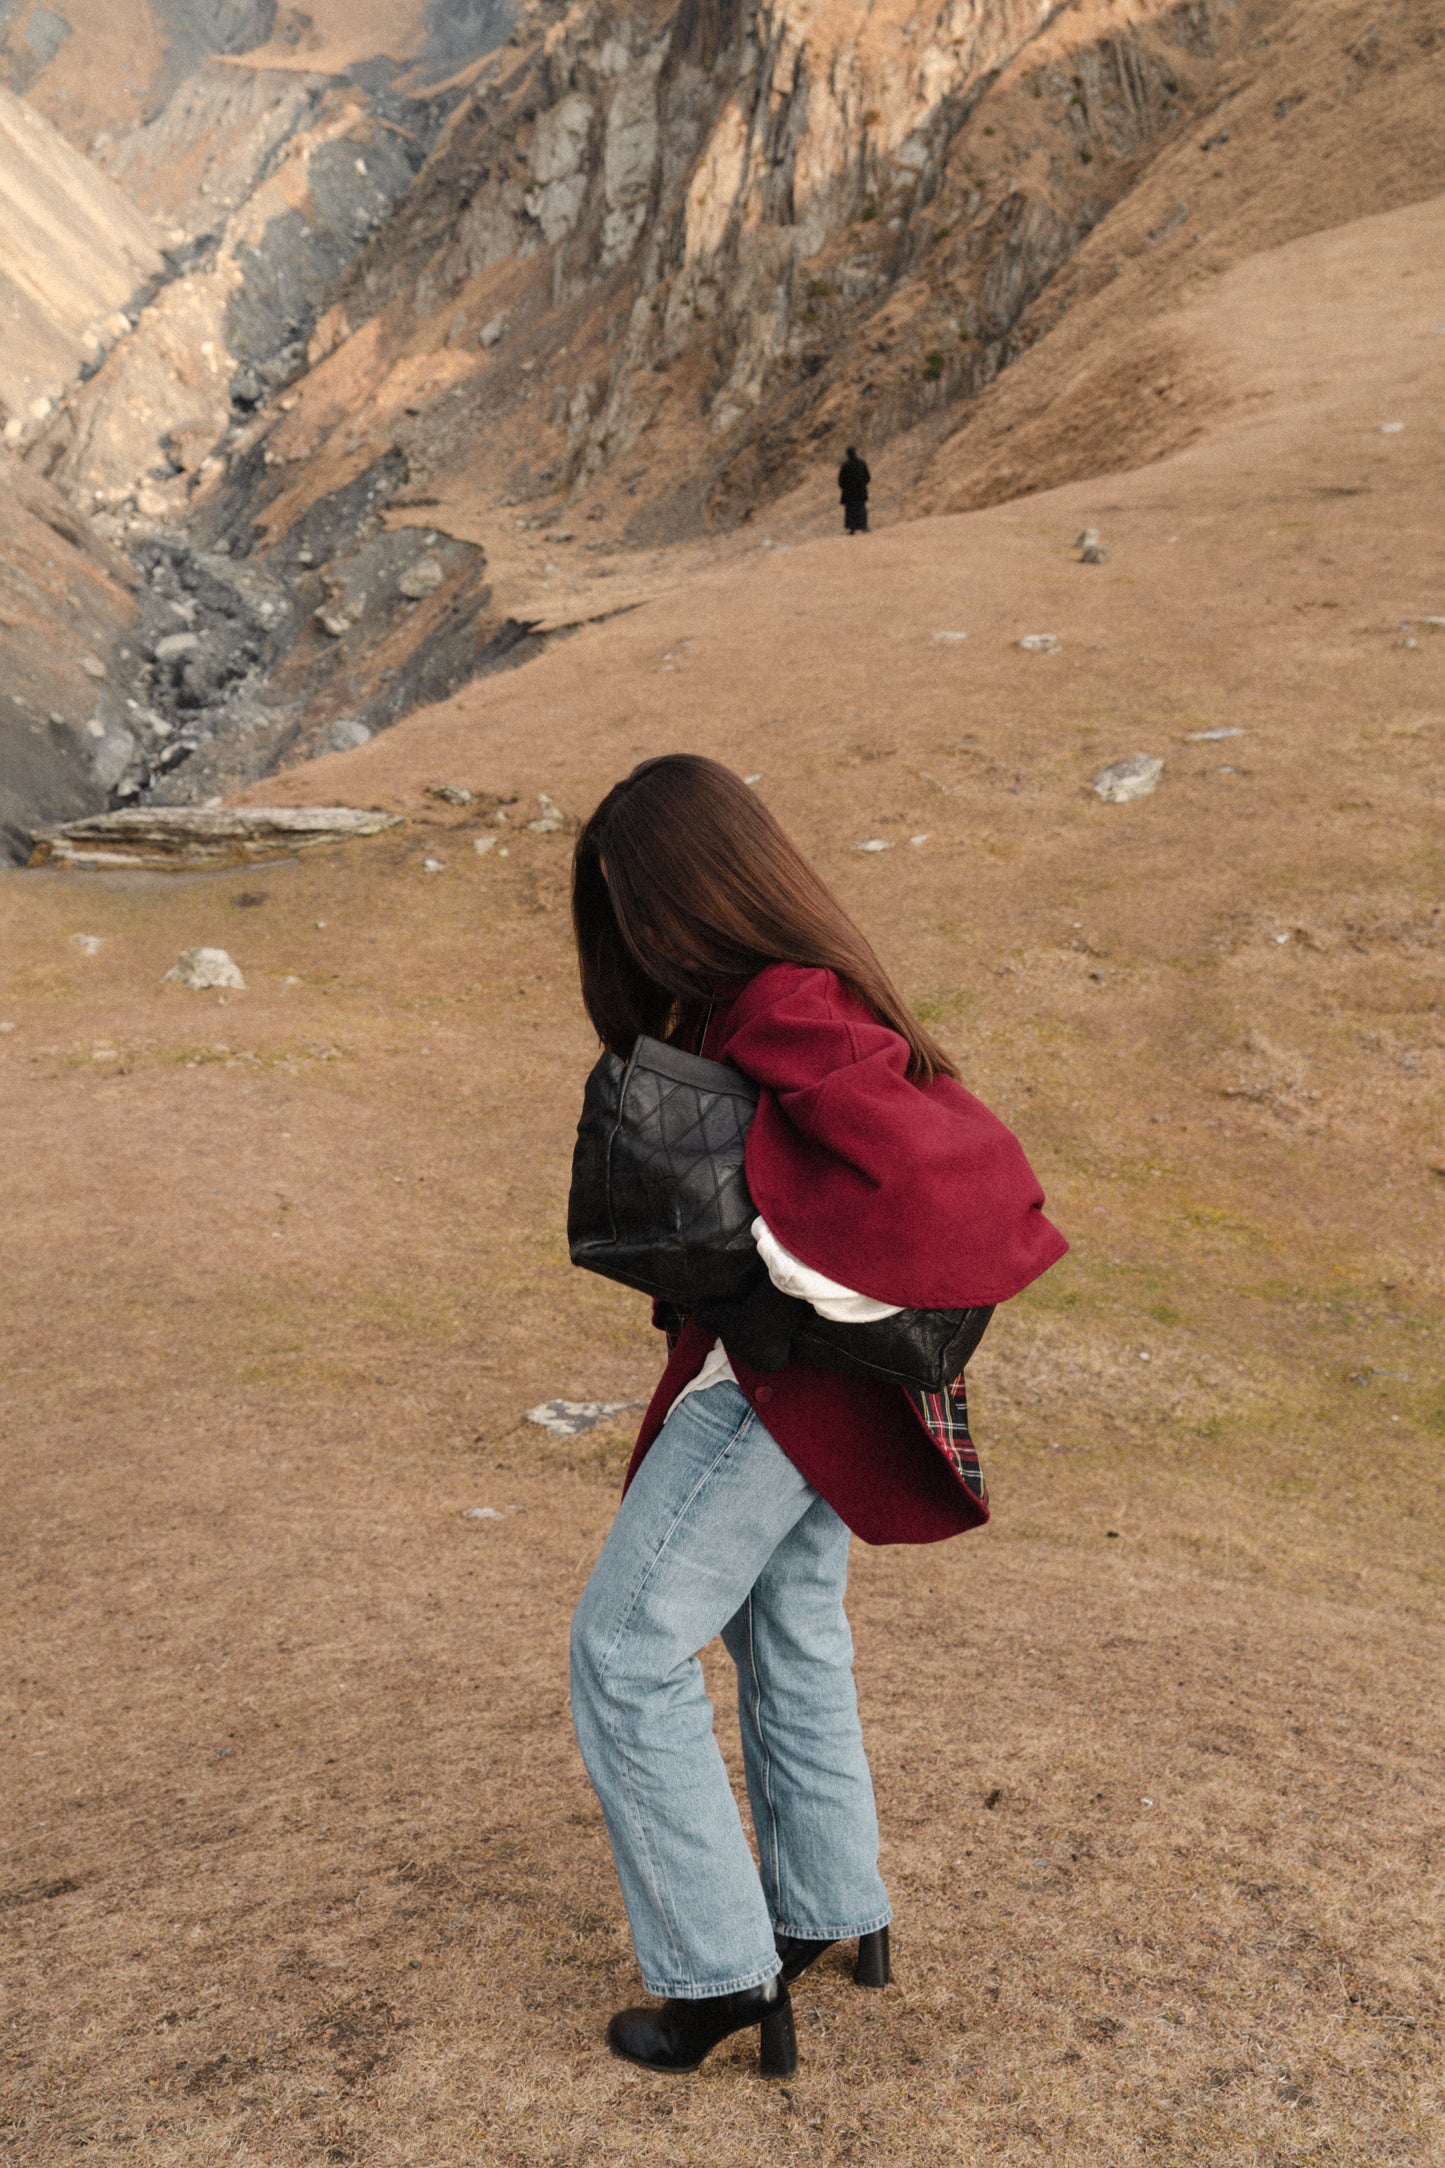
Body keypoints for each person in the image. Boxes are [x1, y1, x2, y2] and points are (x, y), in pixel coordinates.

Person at [567, 755, 1066, 2079]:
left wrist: (784, 1268)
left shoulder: (782, 1002)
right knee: (787, 1626)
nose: (625, 933)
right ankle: (831, 1908)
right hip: (810, 1393)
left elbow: (955, 1185)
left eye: (631, 901)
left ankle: (718, 1976)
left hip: (778, 1386)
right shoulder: (799, 988)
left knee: (623, 1652)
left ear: (689, 892)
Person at [838, 445, 871, 533]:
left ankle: (852, 529)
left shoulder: (845, 466)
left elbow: (841, 481)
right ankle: (863, 527)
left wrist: (845, 488)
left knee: (850, 511)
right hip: (860, 492)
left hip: (849, 494)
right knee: (861, 509)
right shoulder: (861, 463)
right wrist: (862, 485)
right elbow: (867, 477)